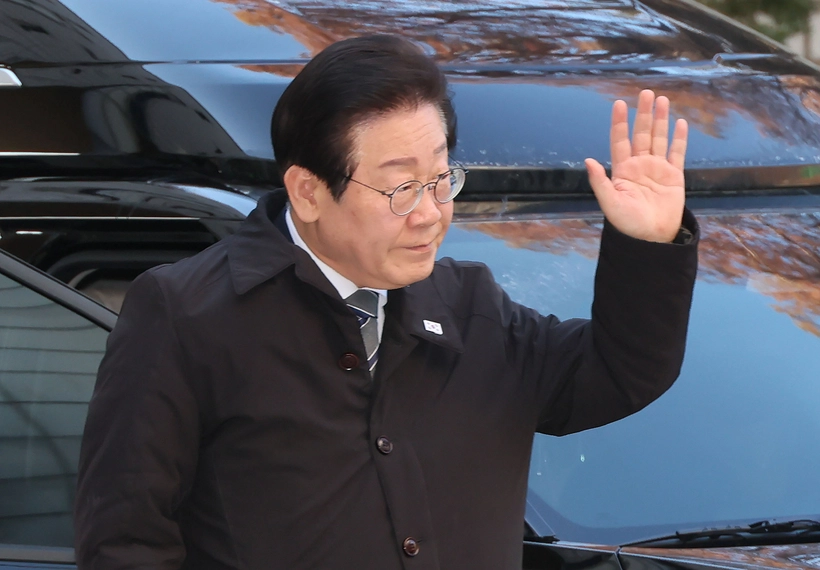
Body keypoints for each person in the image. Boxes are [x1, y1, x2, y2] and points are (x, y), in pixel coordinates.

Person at [75, 34, 698, 570]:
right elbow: (125, 542)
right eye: (402, 189)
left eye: (441, 179)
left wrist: (648, 244)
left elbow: (620, 371)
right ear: (308, 192)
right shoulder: (188, 316)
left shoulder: (471, 307)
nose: (430, 213)